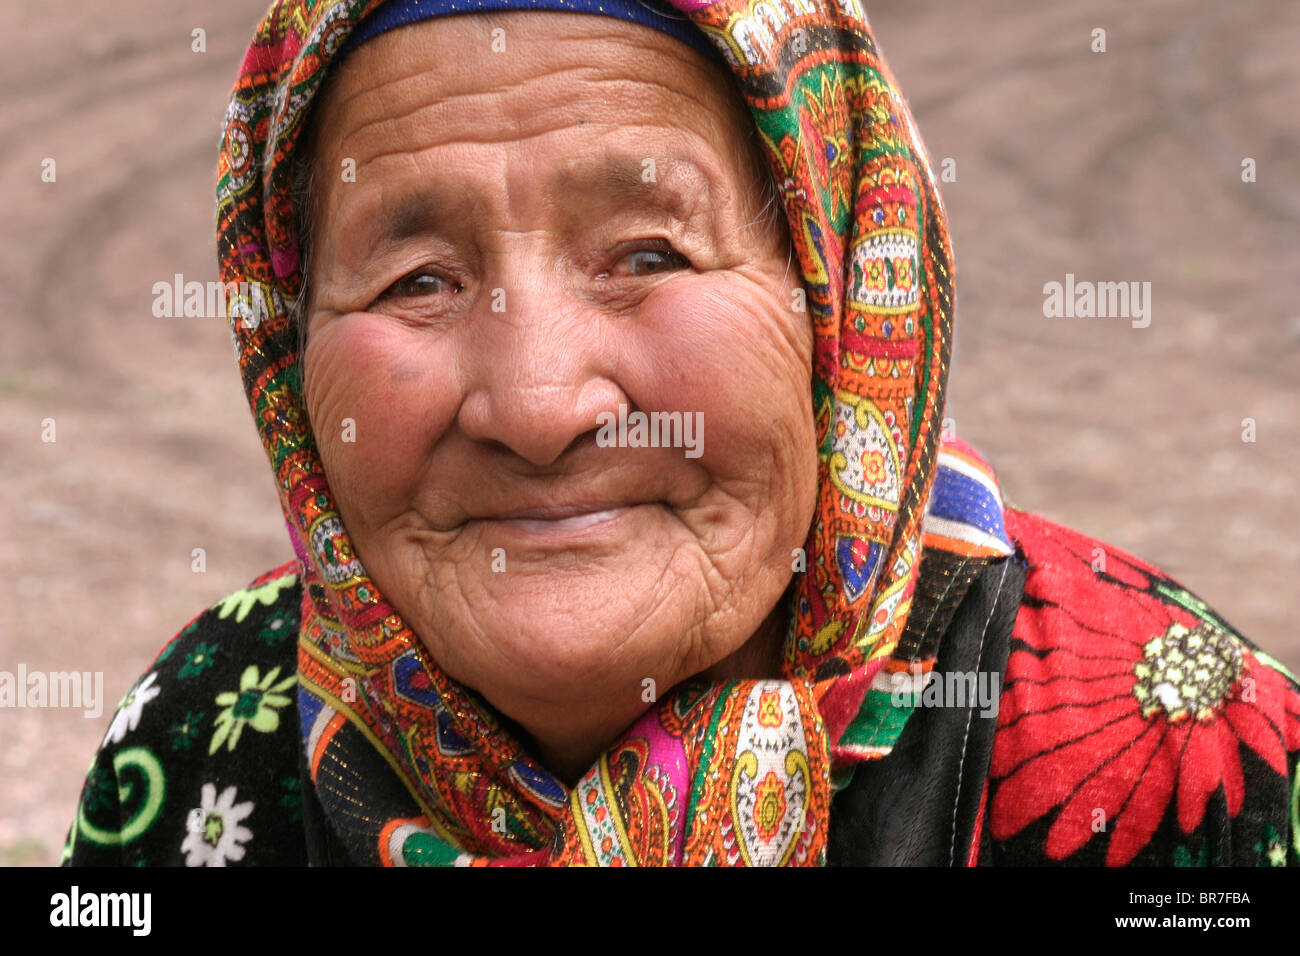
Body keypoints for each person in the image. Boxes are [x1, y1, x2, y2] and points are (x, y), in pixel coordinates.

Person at [63, 0, 1300, 867]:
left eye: (648, 253)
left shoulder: (1181, 749)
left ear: (842, 306)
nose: (540, 407)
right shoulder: (208, 727)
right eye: (417, 280)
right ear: (289, 360)